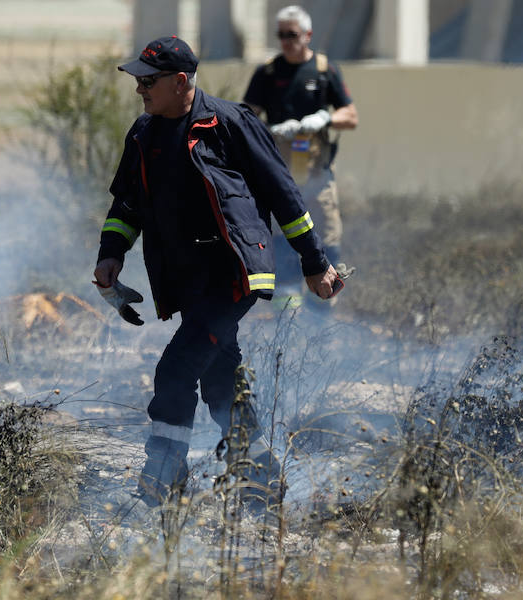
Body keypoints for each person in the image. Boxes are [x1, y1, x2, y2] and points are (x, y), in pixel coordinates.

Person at [93, 35, 339, 509]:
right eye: (137, 80)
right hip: (186, 281)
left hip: (233, 275)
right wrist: (111, 254)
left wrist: (314, 262)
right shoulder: (143, 134)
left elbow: (285, 195)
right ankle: (260, 476)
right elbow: (126, 204)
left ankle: (163, 477)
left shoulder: (229, 123)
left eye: (148, 81)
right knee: (221, 379)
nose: (139, 89)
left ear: (180, 81)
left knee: (175, 371)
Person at [243, 4, 358, 307]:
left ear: (307, 35)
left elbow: (351, 115)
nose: (286, 41)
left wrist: (325, 119)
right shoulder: (267, 73)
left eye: (292, 34)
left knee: (328, 238)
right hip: (280, 176)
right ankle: (288, 321)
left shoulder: (324, 71)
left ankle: (323, 312)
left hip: (317, 175)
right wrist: (270, 130)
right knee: (284, 243)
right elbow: (245, 119)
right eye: (281, 35)